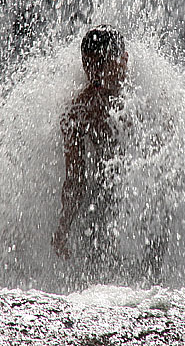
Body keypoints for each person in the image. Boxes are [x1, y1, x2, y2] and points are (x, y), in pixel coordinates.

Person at [52, 26, 128, 267]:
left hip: (144, 190)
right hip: (106, 187)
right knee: (97, 220)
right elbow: (75, 179)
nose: (95, 75)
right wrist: (63, 227)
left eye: (101, 64)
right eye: (89, 67)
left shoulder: (147, 98)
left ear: (123, 59)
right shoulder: (78, 113)